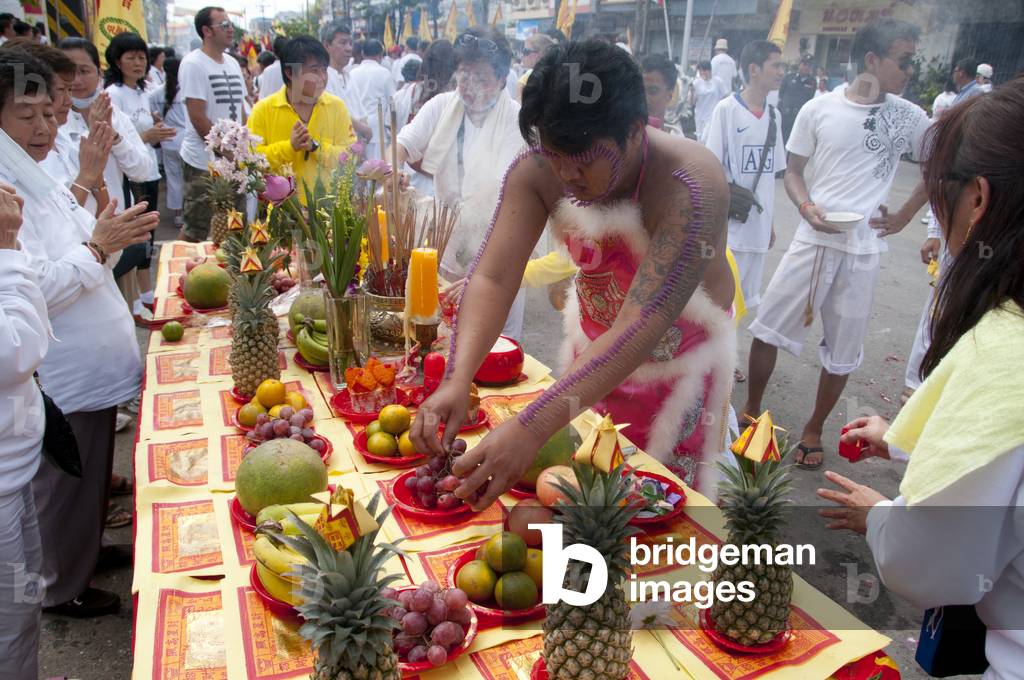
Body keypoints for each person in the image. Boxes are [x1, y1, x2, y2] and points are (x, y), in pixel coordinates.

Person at [409, 39, 735, 503]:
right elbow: (494, 277)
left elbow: (641, 325)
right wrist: (458, 379)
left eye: (582, 162)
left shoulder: (690, 186)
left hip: (680, 376)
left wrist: (531, 426)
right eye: (553, 156)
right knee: (588, 508)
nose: (565, 177)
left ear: (635, 131)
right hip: (588, 372)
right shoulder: (541, 166)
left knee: (662, 534)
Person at [818, 78, 1024, 677]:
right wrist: (911, 436)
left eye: (942, 198)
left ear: (978, 200)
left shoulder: (1003, 351)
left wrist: (882, 516)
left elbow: (935, 564)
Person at [0, 50, 157, 618]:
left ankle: (83, 554)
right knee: (64, 485)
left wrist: (91, 197)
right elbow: (34, 284)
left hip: (90, 365)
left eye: (50, 112)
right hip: (63, 371)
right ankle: (62, 587)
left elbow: (74, 231)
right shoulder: (4, 187)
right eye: (27, 115)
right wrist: (100, 245)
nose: (44, 127)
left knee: (89, 473)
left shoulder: (31, 170)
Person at [741, 19, 931, 470]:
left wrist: (904, 215)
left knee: (843, 350)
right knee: (767, 327)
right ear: (872, 60)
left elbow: (938, 164)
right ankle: (751, 410)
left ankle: (813, 428)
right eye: (904, 61)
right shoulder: (818, 109)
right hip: (812, 239)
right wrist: (806, 208)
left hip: (863, 252)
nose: (910, 70)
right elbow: (792, 170)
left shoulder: (909, 117)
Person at [394, 28, 527, 339]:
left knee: (497, 345)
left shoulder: (516, 120)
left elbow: (507, 193)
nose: (468, 87)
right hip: (450, 245)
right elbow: (403, 143)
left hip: (498, 252)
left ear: (502, 77)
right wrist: (392, 169)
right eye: (463, 75)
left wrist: (484, 270)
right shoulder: (443, 105)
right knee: (447, 338)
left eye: (480, 77)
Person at [0, 179, 48, 679]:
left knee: (26, 594)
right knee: (9, 619)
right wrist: (7, 248)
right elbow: (16, 351)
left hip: (14, 470)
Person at [704, 40, 785, 318]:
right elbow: (711, 168)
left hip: (758, 227)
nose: (781, 71)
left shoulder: (775, 116)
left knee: (745, 302)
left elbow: (770, 177)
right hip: (732, 227)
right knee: (721, 298)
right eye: (776, 65)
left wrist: (769, 222)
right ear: (754, 69)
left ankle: (726, 357)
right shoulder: (726, 110)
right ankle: (716, 360)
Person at [104, 31, 176, 323]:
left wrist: (155, 132)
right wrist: (148, 135)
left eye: (141, 57)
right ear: (116, 60)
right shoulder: (113, 95)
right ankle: (136, 303)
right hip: (128, 177)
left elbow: (142, 136)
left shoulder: (142, 92)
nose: (137, 62)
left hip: (148, 170)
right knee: (135, 241)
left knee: (147, 237)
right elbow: (119, 139)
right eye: (130, 57)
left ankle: (147, 296)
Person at [247, 36, 356, 197]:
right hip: (282, 213)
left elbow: (349, 158)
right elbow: (250, 162)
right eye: (314, 70)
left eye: (324, 69)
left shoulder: (336, 107)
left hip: (327, 210)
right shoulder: (263, 110)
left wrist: (316, 147)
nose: (322, 77)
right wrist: (289, 147)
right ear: (290, 72)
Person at [178, 6, 248, 242]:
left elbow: (240, 110)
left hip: (234, 159)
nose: (231, 30)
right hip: (202, 161)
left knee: (237, 224)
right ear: (206, 31)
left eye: (231, 24)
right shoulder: (193, 64)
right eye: (224, 25)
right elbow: (198, 117)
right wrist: (226, 150)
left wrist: (242, 150)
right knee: (196, 227)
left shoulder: (232, 63)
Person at [321, 20, 373, 146]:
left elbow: (360, 111)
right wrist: (363, 128)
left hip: (356, 147)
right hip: (337, 147)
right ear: (327, 46)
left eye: (350, 43)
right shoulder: (324, 77)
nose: (349, 48)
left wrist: (364, 133)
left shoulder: (348, 75)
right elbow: (335, 113)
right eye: (343, 43)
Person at [150, 57, 186, 229]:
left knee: (173, 179)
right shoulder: (186, 91)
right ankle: (192, 213)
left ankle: (178, 215)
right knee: (191, 179)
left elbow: (153, 115)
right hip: (186, 140)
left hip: (168, 140)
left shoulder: (156, 93)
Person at [349, 39, 394, 161]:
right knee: (378, 172)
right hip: (378, 130)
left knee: (359, 172)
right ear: (380, 55)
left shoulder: (352, 73)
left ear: (363, 54)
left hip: (357, 127)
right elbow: (392, 104)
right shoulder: (385, 73)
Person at [642, 53, 684, 135]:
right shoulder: (623, 139)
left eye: (652, 91)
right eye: (639, 90)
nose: (643, 98)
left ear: (669, 96)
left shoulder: (677, 142)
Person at [778, 54, 815, 143]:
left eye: (809, 65)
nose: (806, 67)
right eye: (804, 64)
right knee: (781, 141)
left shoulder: (812, 82)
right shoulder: (788, 77)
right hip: (785, 116)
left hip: (799, 118)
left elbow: (810, 98)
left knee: (795, 144)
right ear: (800, 65)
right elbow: (781, 94)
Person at [692, 60, 726, 140]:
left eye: (703, 71)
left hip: (712, 115)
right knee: (700, 139)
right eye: (700, 71)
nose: (702, 73)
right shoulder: (696, 83)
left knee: (706, 138)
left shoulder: (718, 81)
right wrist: (692, 91)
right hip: (700, 116)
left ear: (709, 70)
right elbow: (692, 102)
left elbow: (725, 96)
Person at [515, 33, 555, 101]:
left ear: (539, 54)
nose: (522, 55)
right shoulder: (557, 75)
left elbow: (520, 108)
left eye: (525, 51)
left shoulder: (525, 81)